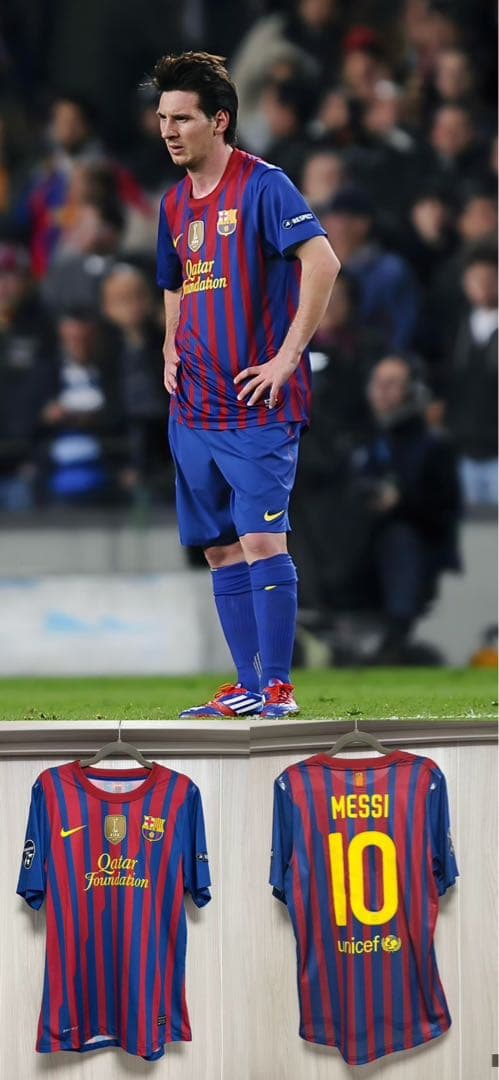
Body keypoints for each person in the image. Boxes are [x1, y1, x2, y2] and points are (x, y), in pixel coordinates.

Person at [153, 51, 340, 717]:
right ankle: (246, 684)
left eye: (182, 118)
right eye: (163, 118)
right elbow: (175, 281)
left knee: (262, 540)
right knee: (219, 548)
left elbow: (323, 262)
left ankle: (279, 688)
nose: (168, 130)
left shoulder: (264, 186)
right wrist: (170, 343)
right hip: (193, 406)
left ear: (220, 121)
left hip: (256, 401)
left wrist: (288, 357)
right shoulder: (173, 204)